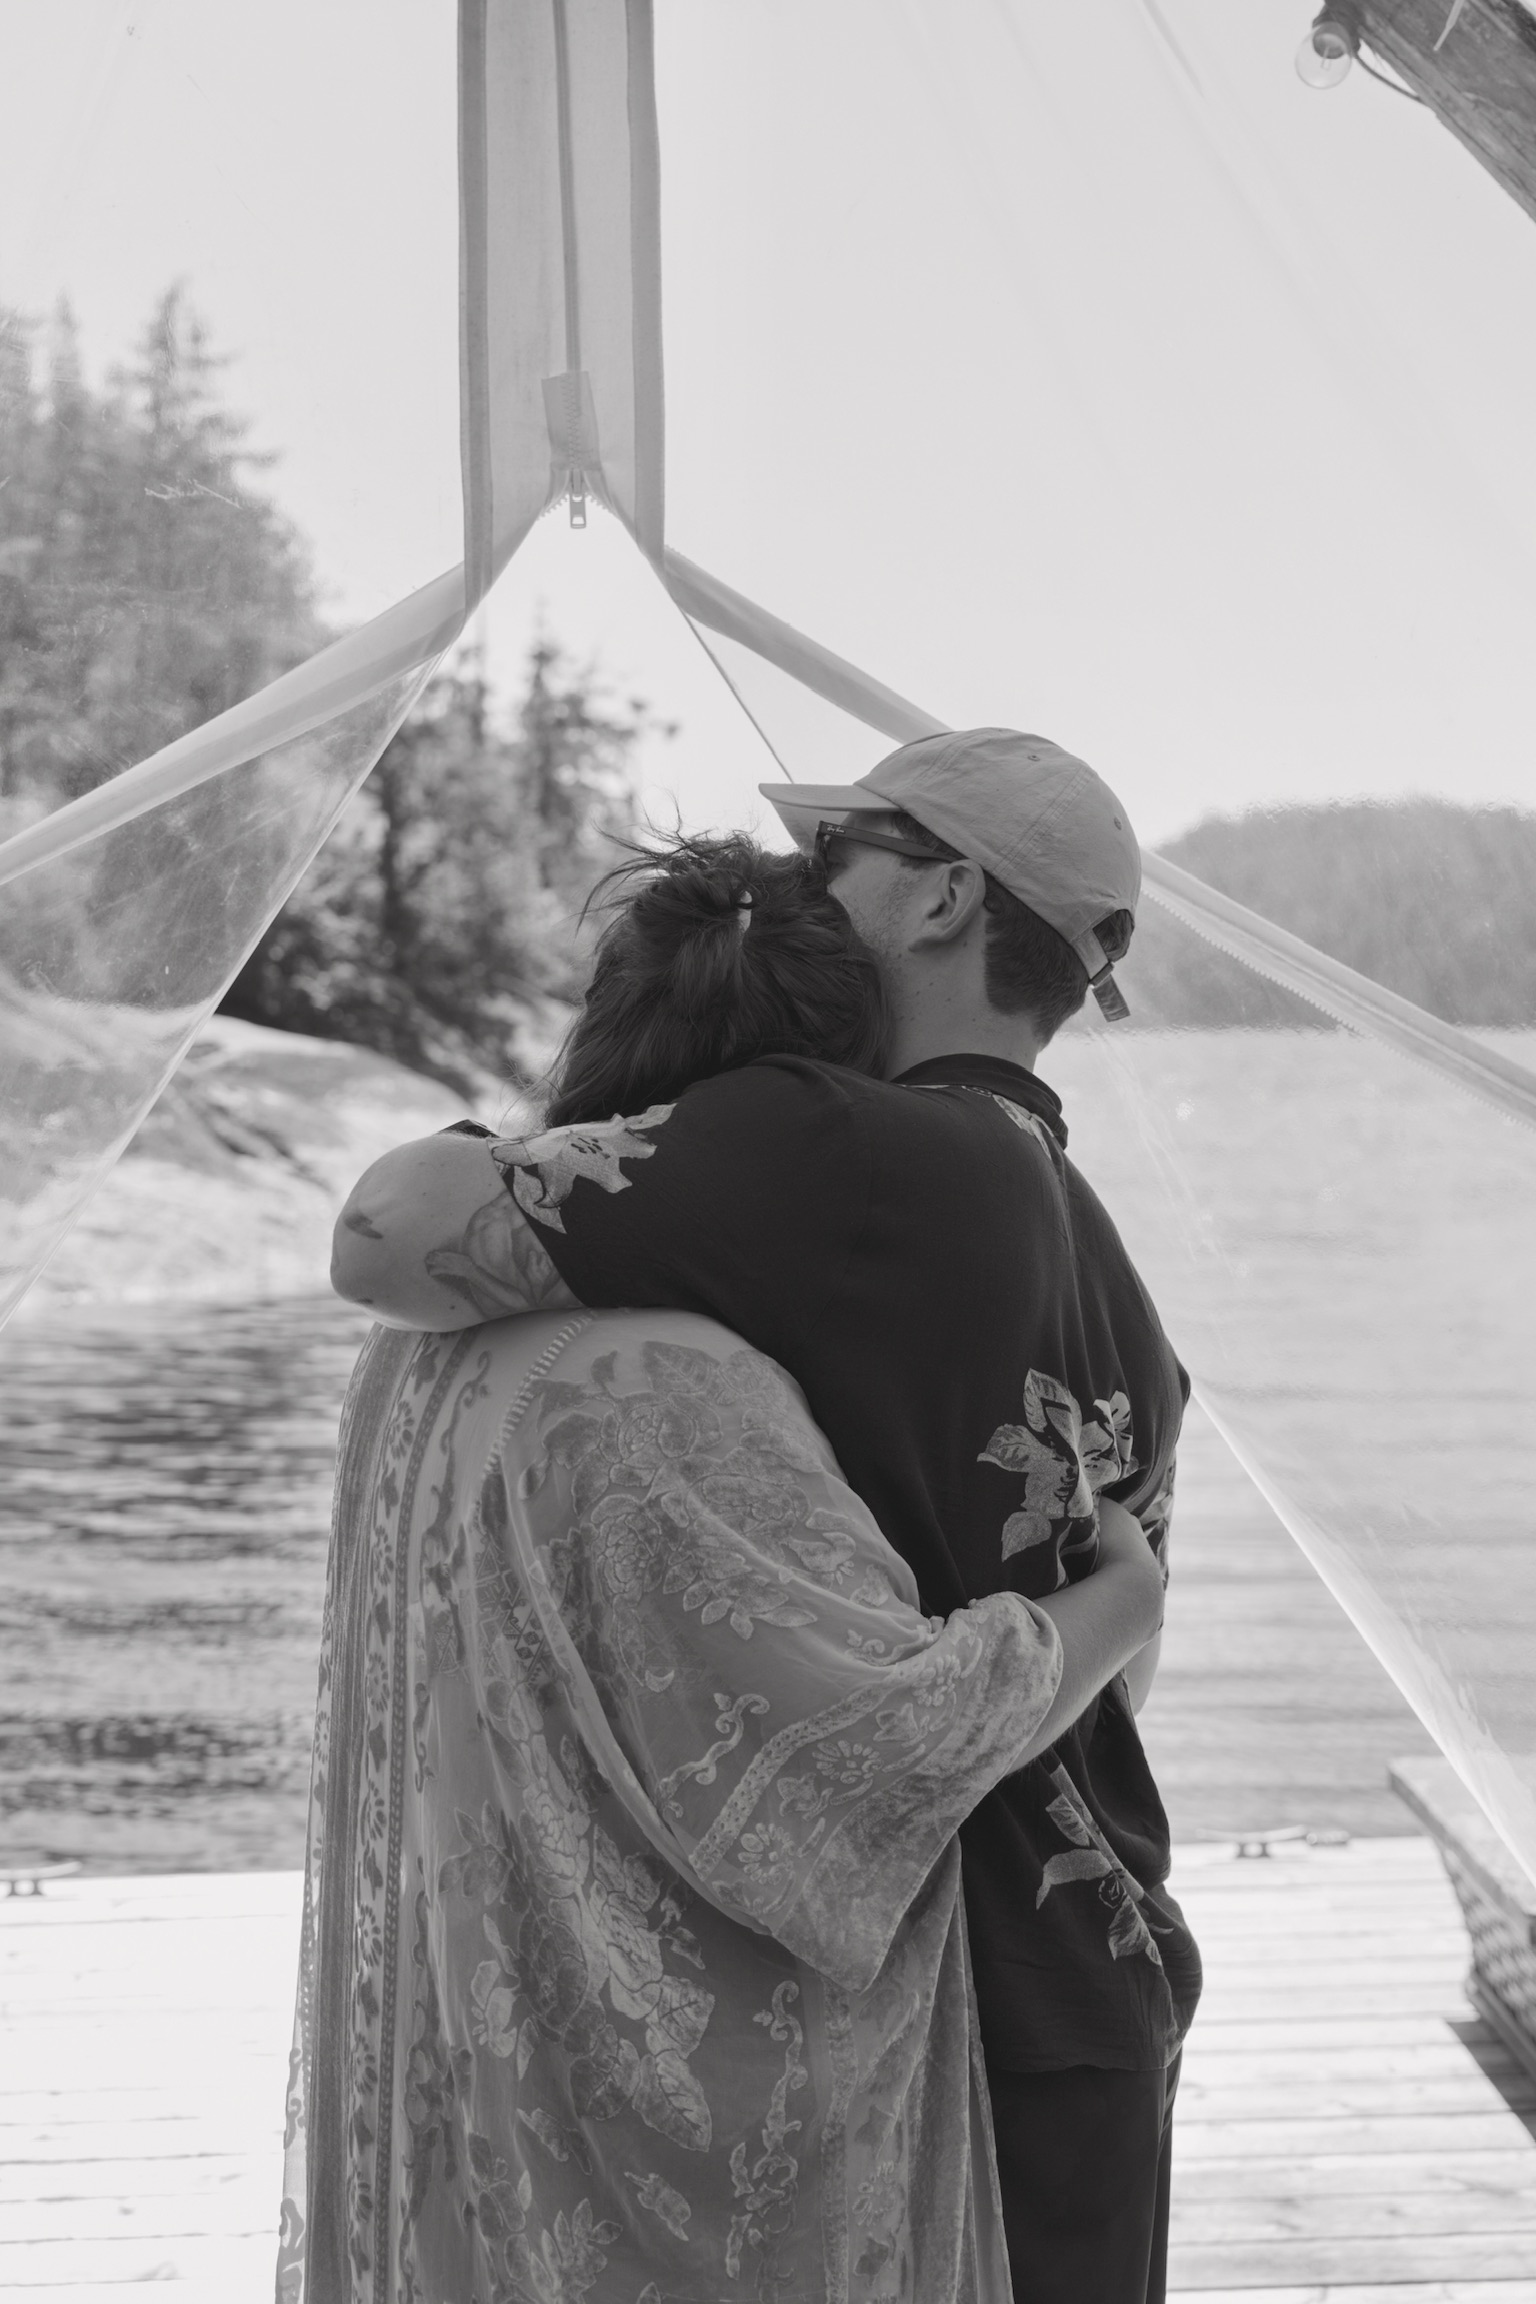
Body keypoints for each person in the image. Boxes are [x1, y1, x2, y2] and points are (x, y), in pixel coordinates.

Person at [332, 730, 1196, 2304]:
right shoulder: (1107, 1263)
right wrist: (1115, 1608)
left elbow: (389, 1235)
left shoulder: (838, 1143)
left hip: (937, 2009)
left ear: (942, 897)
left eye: (839, 852)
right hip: (1104, 1965)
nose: (804, 879)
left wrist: (496, 1142)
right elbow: (1120, 1677)